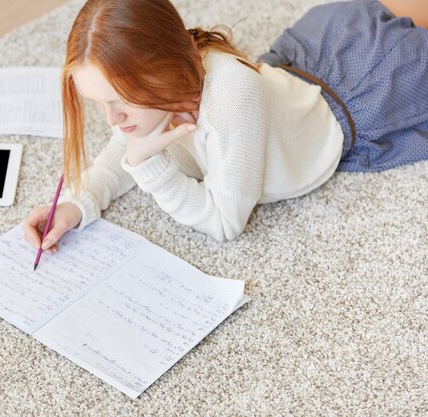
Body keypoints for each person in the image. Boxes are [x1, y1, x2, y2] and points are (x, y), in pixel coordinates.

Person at [23, 0, 428, 251]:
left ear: (161, 70)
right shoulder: (152, 93)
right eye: (99, 104)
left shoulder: (230, 95)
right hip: (305, 66)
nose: (112, 119)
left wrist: (151, 169)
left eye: (120, 102)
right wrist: (77, 204)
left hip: (364, 90)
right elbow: (121, 152)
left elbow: (225, 223)